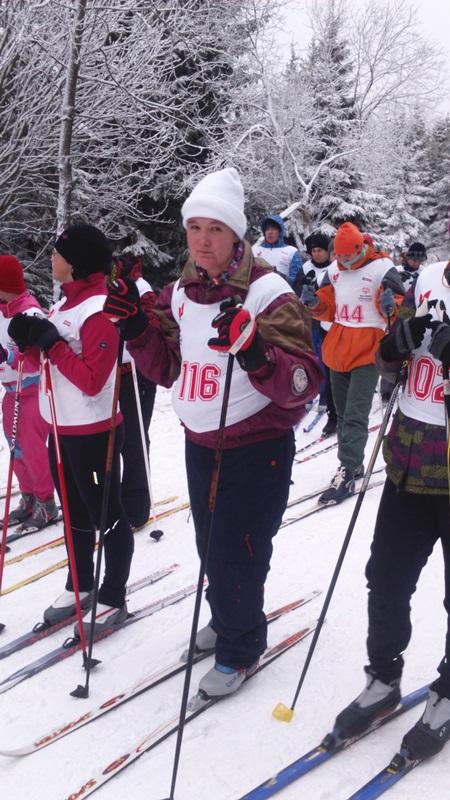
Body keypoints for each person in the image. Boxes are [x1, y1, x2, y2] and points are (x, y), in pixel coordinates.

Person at [104, 167, 323, 697]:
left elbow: (304, 381)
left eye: (215, 229)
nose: (203, 240)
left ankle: (241, 646)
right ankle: (226, 616)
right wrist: (136, 326)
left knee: (238, 546)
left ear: (236, 234)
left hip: (255, 446)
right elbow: (167, 367)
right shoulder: (180, 292)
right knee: (210, 542)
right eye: (195, 228)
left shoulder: (268, 292)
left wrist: (255, 352)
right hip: (201, 442)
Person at [333, 258, 450, 762]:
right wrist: (394, 346)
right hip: (408, 463)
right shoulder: (427, 278)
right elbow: (388, 361)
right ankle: (383, 678)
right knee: (385, 579)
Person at [8, 223, 134, 633]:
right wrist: (29, 344)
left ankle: (113, 594)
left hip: (93, 434)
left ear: (75, 262)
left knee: (106, 515)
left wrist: (51, 343)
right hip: (61, 431)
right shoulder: (65, 304)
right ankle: (80, 584)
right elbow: (48, 362)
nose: (51, 257)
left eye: (58, 253)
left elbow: (93, 379)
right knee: (76, 515)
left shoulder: (97, 310)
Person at [300, 221, 405, 504]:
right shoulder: (334, 271)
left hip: (368, 350)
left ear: (361, 248)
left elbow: (398, 305)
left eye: (349, 255)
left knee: (357, 413)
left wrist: (390, 306)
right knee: (344, 413)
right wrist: (313, 303)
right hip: (338, 348)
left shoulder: (381, 267)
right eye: (340, 256)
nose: (344, 260)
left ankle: (346, 468)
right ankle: (353, 463)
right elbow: (328, 307)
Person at [0, 255, 57, 528]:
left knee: (33, 450)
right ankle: (29, 496)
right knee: (17, 449)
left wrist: (9, 356)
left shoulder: (30, 313)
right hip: (10, 391)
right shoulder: (3, 310)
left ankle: (47, 501)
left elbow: (40, 357)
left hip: (32, 390)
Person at [115, 254, 157, 530]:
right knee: (118, 437)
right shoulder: (108, 288)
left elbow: (151, 325)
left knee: (135, 437)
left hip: (137, 371)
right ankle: (119, 494)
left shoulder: (142, 288)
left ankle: (137, 504)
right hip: (116, 371)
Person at [294, 232, 337, 436]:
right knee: (310, 358)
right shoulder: (306, 268)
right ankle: (310, 392)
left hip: (326, 322)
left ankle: (327, 396)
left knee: (326, 360)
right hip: (309, 321)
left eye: (320, 250)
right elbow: (295, 289)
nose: (317, 254)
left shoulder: (333, 268)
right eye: (314, 251)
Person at [251, 214, 302, 287]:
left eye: (273, 229)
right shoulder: (254, 250)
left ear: (280, 231)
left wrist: (280, 276)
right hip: (257, 291)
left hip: (281, 292)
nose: (270, 232)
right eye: (267, 229)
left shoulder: (292, 252)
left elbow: (297, 282)